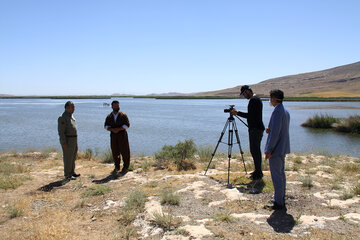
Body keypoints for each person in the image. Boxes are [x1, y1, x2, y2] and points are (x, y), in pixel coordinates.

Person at [231, 85, 265, 180]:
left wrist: (237, 113)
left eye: (244, 94)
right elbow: (252, 115)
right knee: (255, 150)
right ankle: (257, 171)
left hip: (256, 129)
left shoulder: (254, 100)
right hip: (256, 128)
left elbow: (250, 116)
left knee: (255, 151)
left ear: (248, 91)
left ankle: (258, 173)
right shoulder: (256, 99)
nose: (244, 96)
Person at [264, 89, 290, 210]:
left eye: (270, 98)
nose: (270, 100)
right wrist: (270, 129)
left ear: (274, 98)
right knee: (281, 174)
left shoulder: (277, 112)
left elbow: (275, 134)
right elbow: (279, 129)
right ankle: (280, 198)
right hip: (283, 147)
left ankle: (278, 202)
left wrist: (269, 150)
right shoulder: (285, 111)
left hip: (276, 149)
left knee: (277, 176)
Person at [104, 100, 131, 176]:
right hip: (113, 136)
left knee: (125, 151)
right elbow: (106, 126)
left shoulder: (123, 115)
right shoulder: (109, 116)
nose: (116, 107)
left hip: (122, 136)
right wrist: (112, 130)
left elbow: (127, 125)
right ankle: (117, 166)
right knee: (115, 151)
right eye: (115, 105)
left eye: (117, 105)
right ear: (112, 106)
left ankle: (125, 167)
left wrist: (118, 129)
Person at [58, 101, 80, 180]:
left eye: (74, 107)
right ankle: (67, 174)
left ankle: (72, 172)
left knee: (73, 157)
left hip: (74, 139)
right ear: (67, 108)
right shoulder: (63, 117)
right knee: (68, 158)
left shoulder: (71, 117)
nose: (74, 109)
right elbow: (61, 132)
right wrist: (63, 142)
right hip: (68, 140)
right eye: (72, 107)